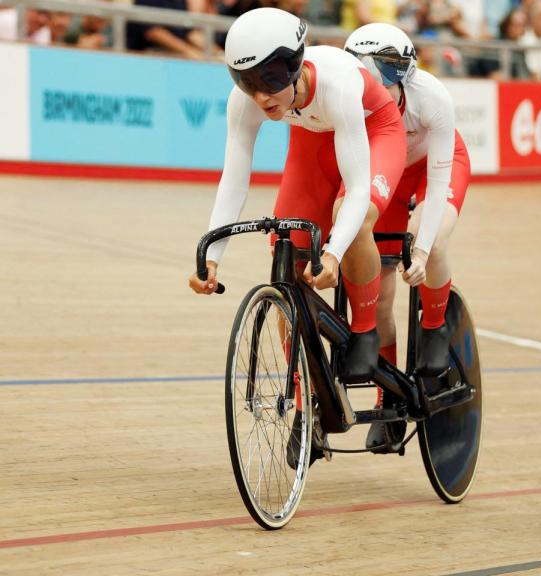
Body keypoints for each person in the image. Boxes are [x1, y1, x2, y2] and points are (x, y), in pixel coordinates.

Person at [187, 8, 408, 463]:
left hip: (373, 131)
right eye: (245, 82)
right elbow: (234, 178)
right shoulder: (247, 101)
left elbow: (357, 187)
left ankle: (365, 332)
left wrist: (334, 252)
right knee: (286, 256)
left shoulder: (338, 83)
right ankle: (307, 408)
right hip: (313, 142)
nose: (259, 95)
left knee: (353, 218)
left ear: (294, 65)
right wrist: (212, 255)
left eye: (269, 79)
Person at [344, 23, 472, 453]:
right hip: (389, 175)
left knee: (431, 241)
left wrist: (418, 250)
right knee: (381, 299)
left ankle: (434, 328)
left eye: (388, 75)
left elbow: (437, 185)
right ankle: (390, 395)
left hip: (435, 168)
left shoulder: (431, 97)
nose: (379, 85)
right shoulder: (347, 99)